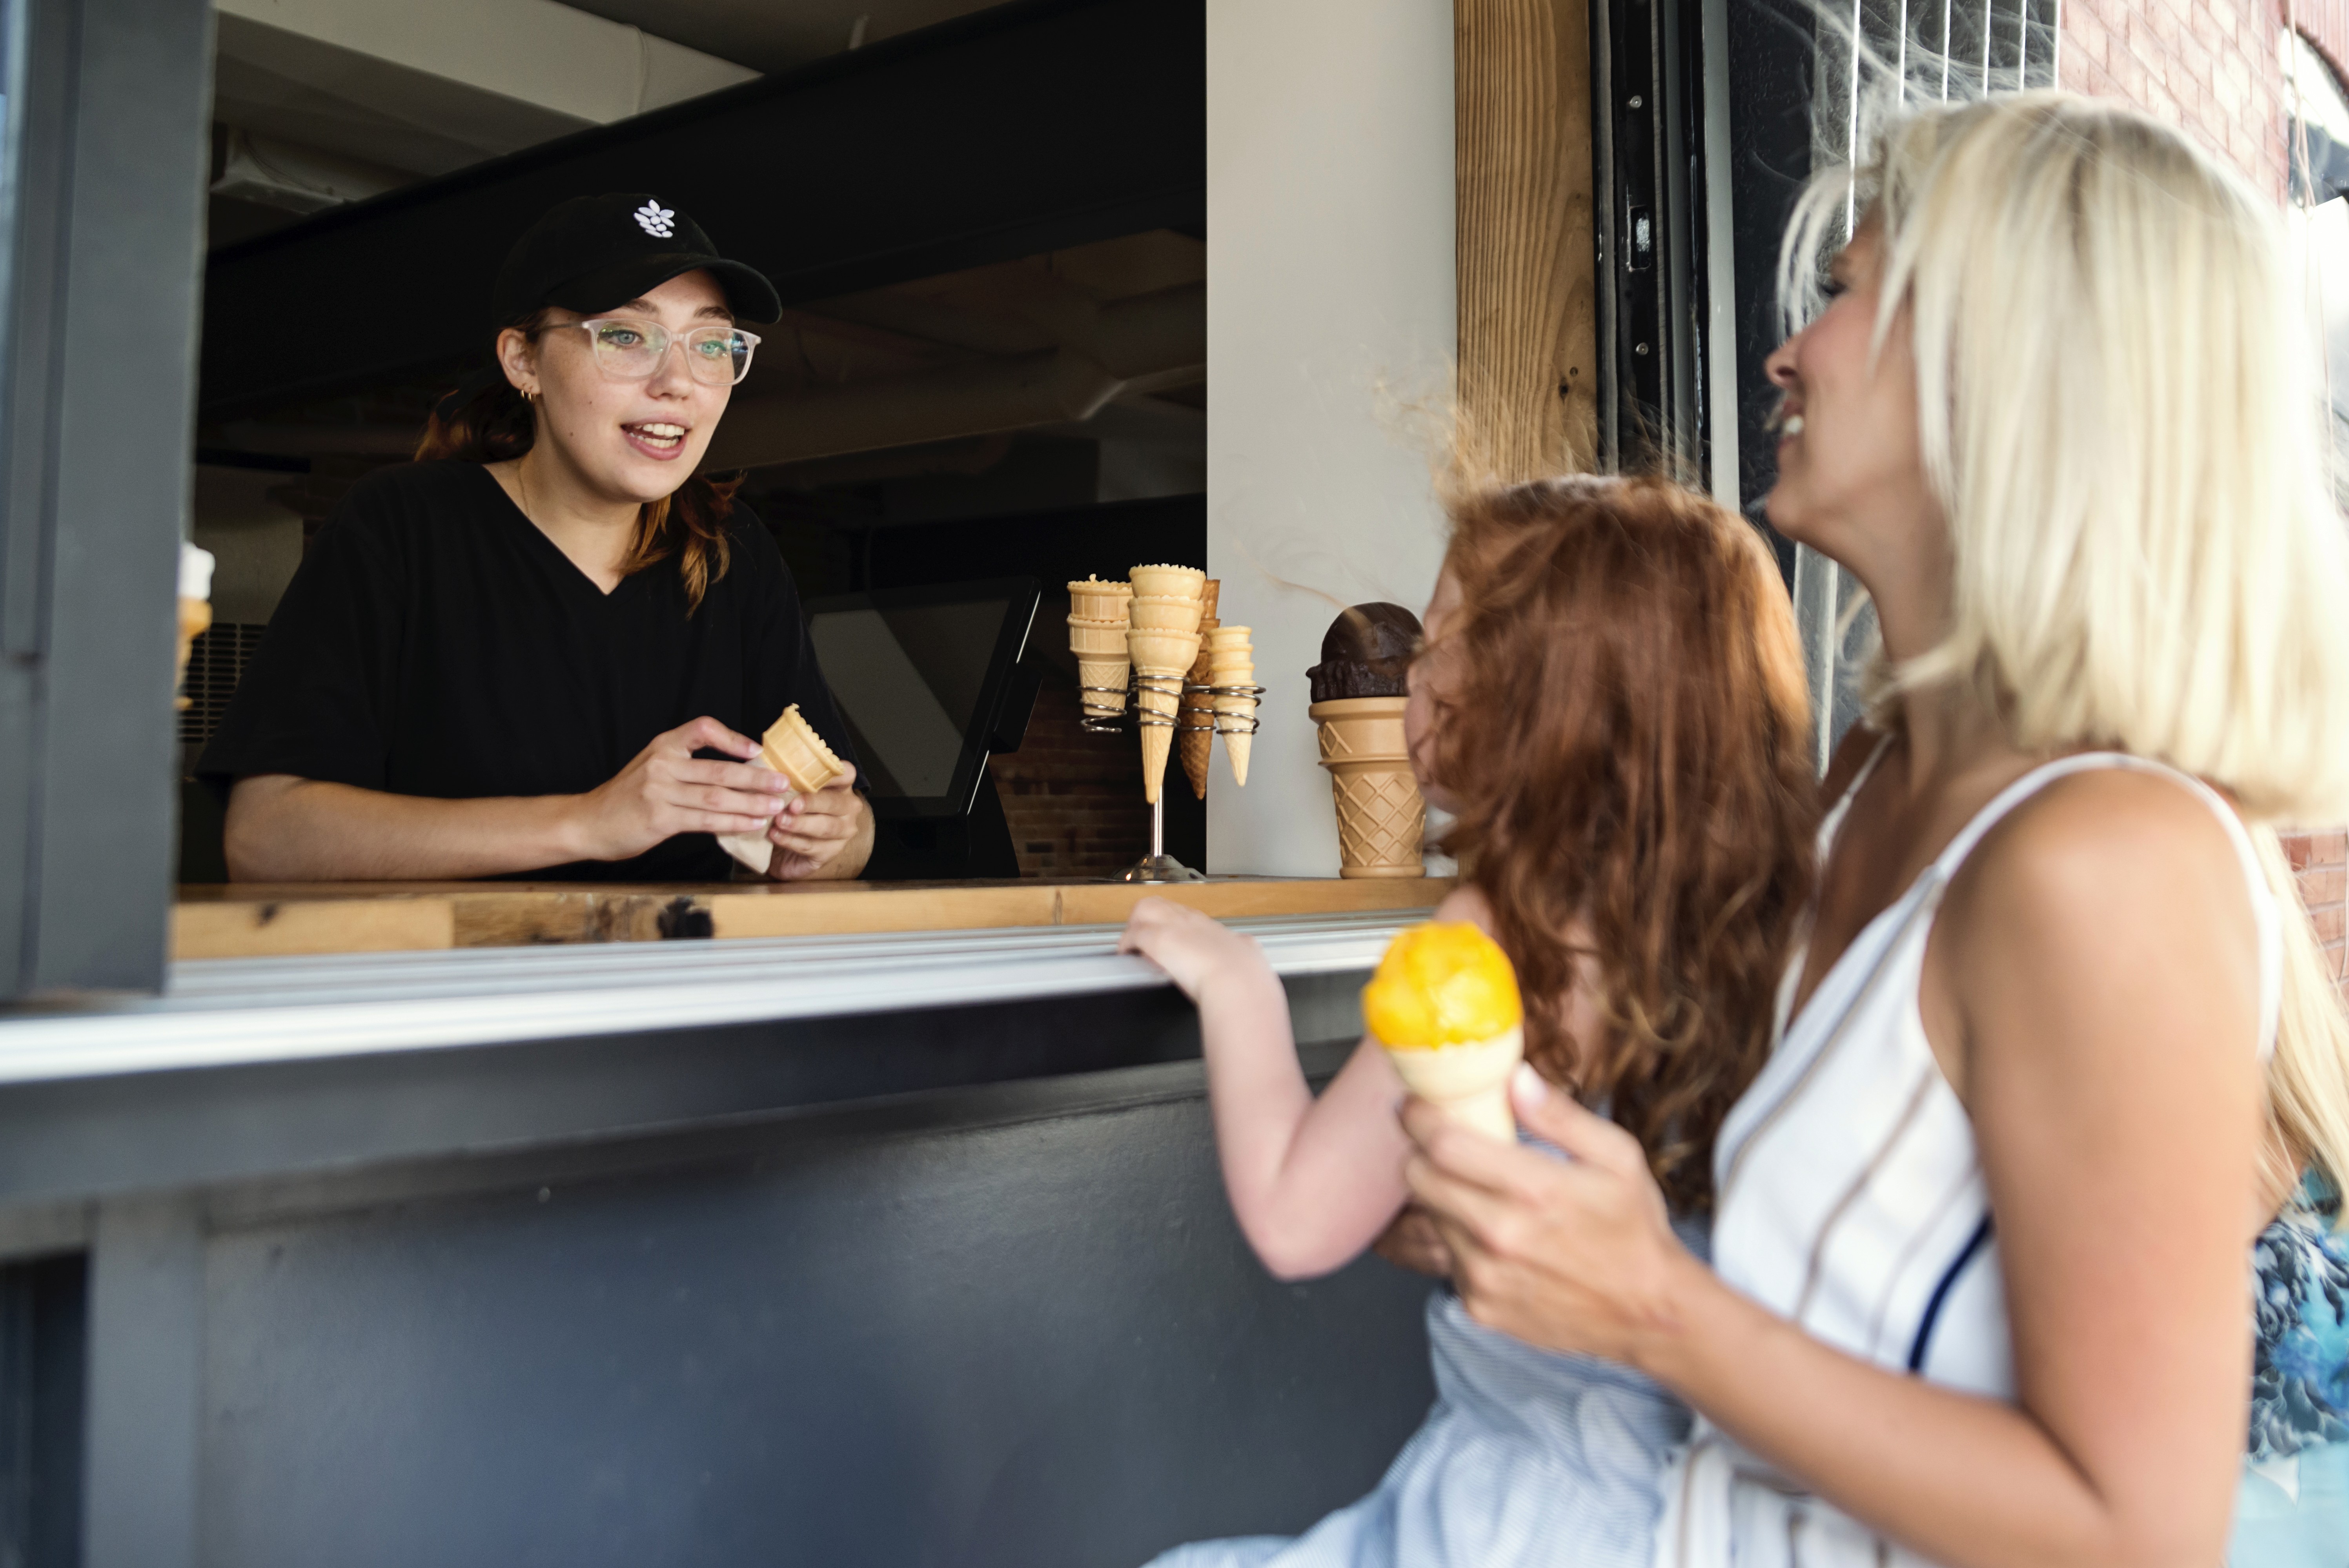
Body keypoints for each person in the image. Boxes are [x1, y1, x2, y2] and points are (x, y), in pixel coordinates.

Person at [1396, 94, 2349, 1568]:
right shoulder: (1862, 781)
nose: (1786, 350)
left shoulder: (2106, 860)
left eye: (1841, 292)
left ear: (2011, 365)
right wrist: (1522, 1202)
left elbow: (2136, 1528)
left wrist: (1645, 1299)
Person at [1120, 474, 1819, 1568]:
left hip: (1503, 1515)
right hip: (1705, 1520)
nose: (1420, 671)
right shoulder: (1784, 932)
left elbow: (1295, 1219)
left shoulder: (1495, 931)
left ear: (1545, 698)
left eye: (1444, 636)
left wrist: (1233, 982)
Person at [202, 193, 872, 883]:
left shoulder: (734, 550)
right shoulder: (402, 526)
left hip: (673, 986)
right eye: (624, 336)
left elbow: (853, 832)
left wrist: (825, 839)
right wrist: (588, 821)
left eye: (710, 345)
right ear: (523, 361)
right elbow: (264, 836)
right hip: (458, 983)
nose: (678, 384)